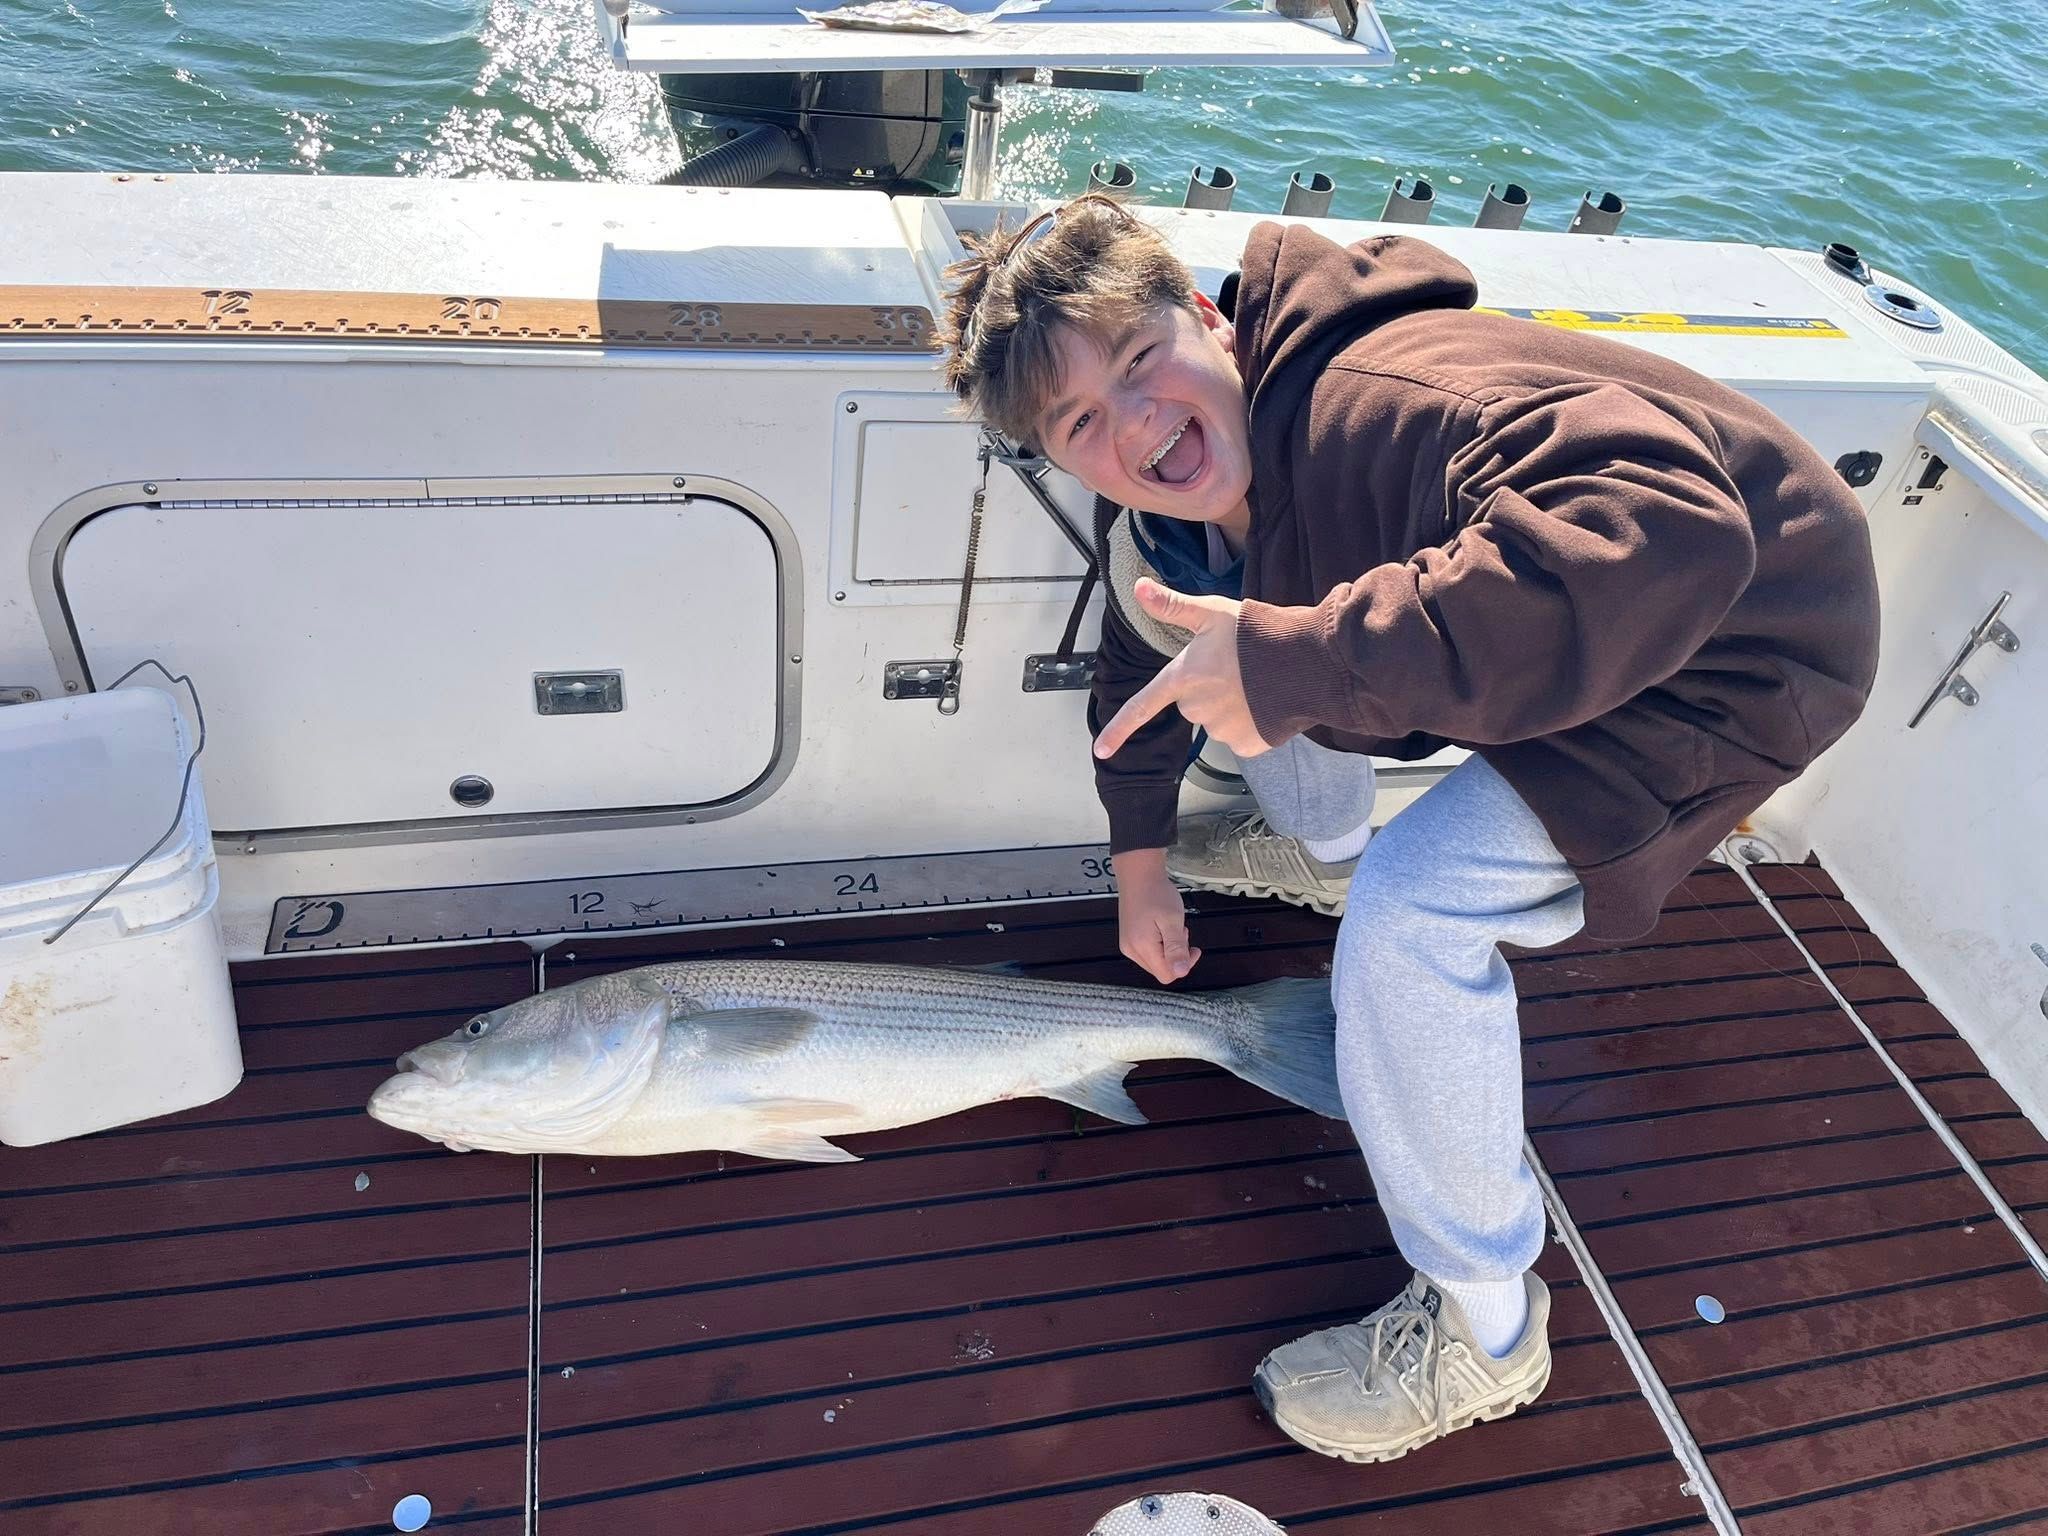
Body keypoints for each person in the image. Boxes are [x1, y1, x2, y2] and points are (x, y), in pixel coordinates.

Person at [938, 194, 1879, 1463]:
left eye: (1141, 359)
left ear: (1205, 316)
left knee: (1411, 908)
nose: (1137, 424)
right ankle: (1319, 861)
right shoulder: (1169, 511)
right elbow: (1143, 667)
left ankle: (1487, 1335)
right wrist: (1138, 865)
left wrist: (1291, 665)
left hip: (1740, 646)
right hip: (1566, 627)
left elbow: (1664, 534)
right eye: (1081, 421)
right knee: (1250, 653)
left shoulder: (1379, 402)